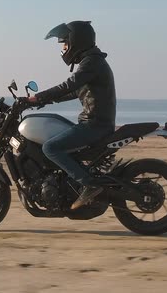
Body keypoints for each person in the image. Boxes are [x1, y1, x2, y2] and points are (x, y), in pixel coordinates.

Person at [26, 21, 116, 210]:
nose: (64, 48)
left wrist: (38, 97)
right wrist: (44, 101)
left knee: (50, 148)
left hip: (94, 125)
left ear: (77, 41)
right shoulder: (92, 61)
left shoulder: (92, 62)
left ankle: (89, 184)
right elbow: (74, 92)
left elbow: (69, 85)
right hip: (94, 123)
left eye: (65, 43)